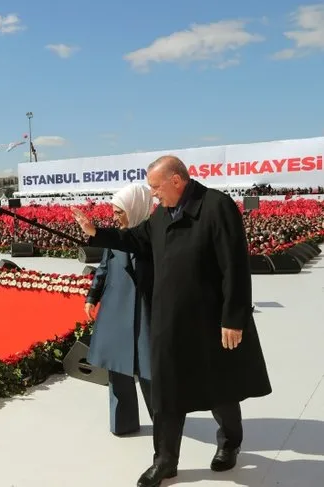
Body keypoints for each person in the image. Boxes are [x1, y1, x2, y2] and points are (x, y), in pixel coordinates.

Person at [72, 155, 271, 487]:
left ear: (176, 181)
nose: (153, 195)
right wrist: (97, 233)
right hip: (169, 322)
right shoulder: (162, 215)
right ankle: (165, 460)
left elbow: (235, 266)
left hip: (210, 321)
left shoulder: (216, 208)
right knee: (166, 393)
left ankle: (230, 443)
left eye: (155, 187)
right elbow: (135, 239)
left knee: (220, 388)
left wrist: (233, 318)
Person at [83, 183, 154, 436]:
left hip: (147, 312)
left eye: (119, 211)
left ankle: (165, 423)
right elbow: (103, 268)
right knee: (118, 370)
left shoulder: (155, 234)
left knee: (150, 371)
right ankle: (123, 424)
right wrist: (92, 296)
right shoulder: (114, 237)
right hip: (116, 310)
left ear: (134, 208)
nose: (115, 217)